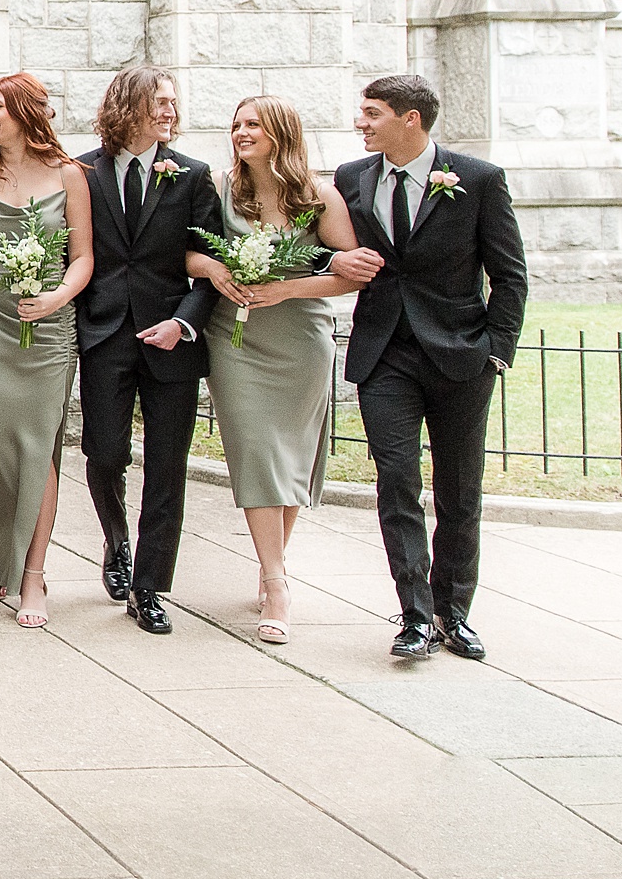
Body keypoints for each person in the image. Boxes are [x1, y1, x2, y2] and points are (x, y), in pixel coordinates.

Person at [337, 74, 526, 662]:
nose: (360, 123)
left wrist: (496, 350)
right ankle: (415, 616)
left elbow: (510, 273)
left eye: (371, 113)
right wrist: (338, 257)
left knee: (459, 490)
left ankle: (454, 613)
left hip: (460, 356)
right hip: (384, 353)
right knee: (397, 481)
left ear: (410, 118)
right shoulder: (351, 179)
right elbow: (322, 245)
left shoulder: (477, 179)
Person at [187, 95, 367, 644]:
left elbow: (352, 271)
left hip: (301, 341)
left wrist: (285, 287)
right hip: (236, 340)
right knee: (257, 454)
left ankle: (273, 569)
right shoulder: (220, 189)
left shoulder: (318, 196)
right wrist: (218, 269)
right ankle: (275, 578)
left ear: (280, 133)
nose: (241, 133)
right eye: (236, 124)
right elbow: (187, 254)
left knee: (288, 461)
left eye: (253, 126)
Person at [72, 65, 224, 636]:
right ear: (128, 105)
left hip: (171, 338)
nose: (170, 111)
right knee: (105, 452)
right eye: (160, 101)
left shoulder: (192, 175)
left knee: (167, 466)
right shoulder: (82, 171)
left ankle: (151, 587)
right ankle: (116, 541)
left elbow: (211, 262)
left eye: (173, 102)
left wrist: (183, 324)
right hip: (106, 332)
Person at [0, 73, 94, 629]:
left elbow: (82, 256)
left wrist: (56, 295)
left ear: (28, 113)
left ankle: (32, 574)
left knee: (38, 446)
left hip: (49, 326)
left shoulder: (70, 176)